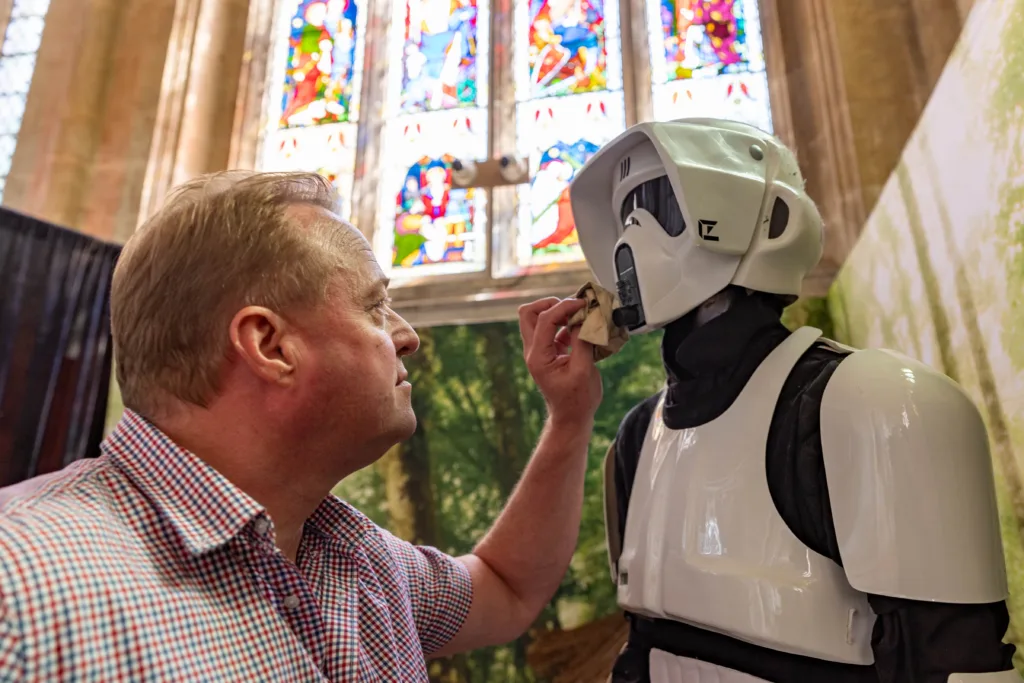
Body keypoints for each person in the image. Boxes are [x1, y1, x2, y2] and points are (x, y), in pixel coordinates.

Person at [0, 171, 603, 681]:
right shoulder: (21, 585)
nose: (408, 338)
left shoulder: (356, 558)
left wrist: (570, 417)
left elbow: (506, 588)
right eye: (374, 305)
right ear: (269, 344)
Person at [568, 118, 1018, 683]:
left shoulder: (876, 405)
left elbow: (952, 662)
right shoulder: (637, 438)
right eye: (626, 212)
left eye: (658, 200)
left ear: (764, 216)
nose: (632, 232)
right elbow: (643, 644)